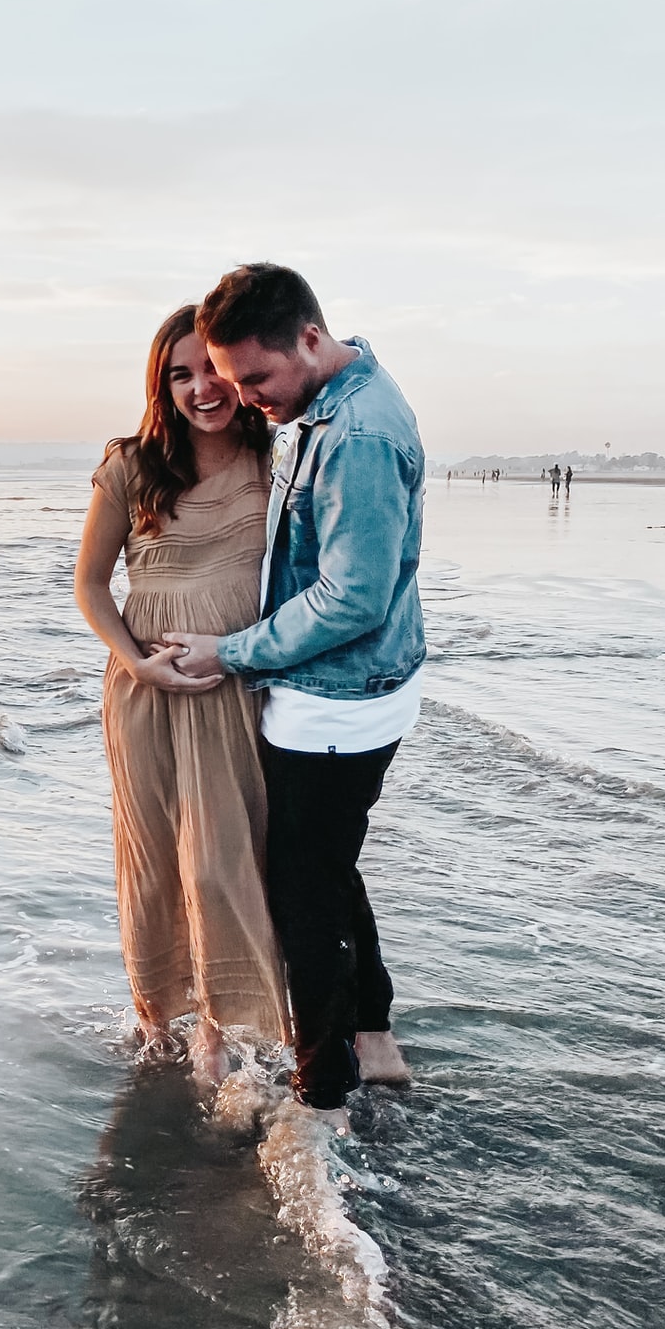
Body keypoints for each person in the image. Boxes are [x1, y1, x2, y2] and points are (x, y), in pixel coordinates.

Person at [159, 264, 425, 1131]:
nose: (247, 399)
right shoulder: (336, 402)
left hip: (336, 701)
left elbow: (354, 598)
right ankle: (373, 1038)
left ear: (310, 339)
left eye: (256, 379)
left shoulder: (356, 435)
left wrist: (232, 651)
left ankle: (323, 1097)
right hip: (344, 692)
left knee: (300, 898)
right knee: (328, 869)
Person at [74, 305, 290, 1089]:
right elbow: (91, 586)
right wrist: (138, 665)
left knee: (223, 861)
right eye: (181, 373)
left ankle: (223, 1029)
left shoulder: (277, 458)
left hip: (232, 687)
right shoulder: (130, 465)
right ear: (161, 385)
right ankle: (157, 1017)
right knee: (157, 860)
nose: (202, 387)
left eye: (213, 369)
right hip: (145, 694)